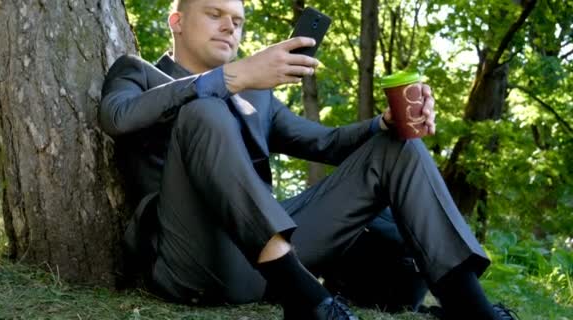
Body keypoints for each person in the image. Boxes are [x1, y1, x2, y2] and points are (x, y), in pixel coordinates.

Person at [99, 0, 519, 319]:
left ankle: (469, 305)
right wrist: (229, 79)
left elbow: (327, 144)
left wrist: (384, 123)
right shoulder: (136, 72)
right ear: (177, 21)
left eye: (239, 20)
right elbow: (116, 117)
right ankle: (306, 298)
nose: (230, 26)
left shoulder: (256, 95)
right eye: (214, 14)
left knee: (398, 146)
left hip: (264, 265)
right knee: (204, 107)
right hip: (190, 261)